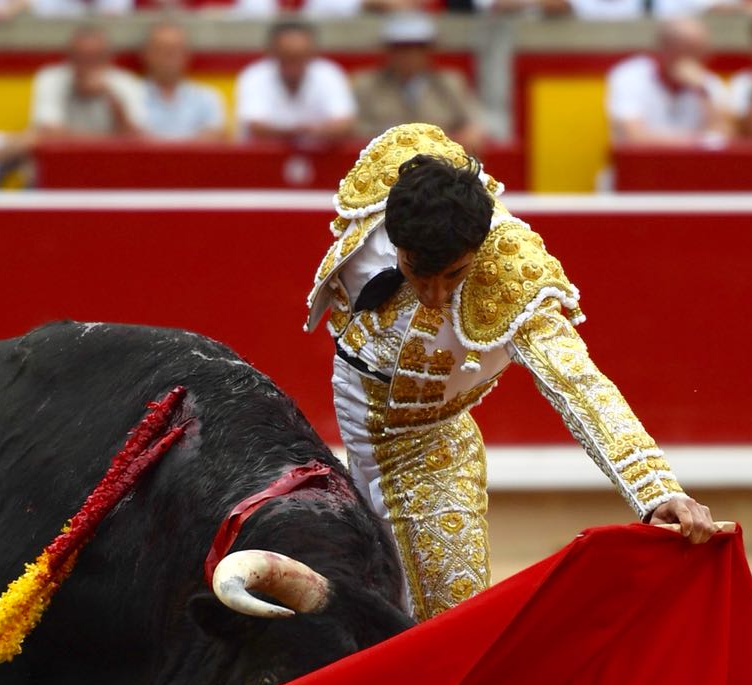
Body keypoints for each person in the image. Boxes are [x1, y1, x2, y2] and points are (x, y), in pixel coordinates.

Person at [304, 124, 716, 619]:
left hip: (427, 448)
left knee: (449, 624)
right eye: (418, 272)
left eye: (454, 274)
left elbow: (576, 382)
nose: (436, 295)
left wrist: (656, 490)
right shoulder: (398, 174)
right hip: (341, 435)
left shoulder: (511, 276)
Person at [353, 15, 491, 158]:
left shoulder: (449, 83)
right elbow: (354, 130)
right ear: (389, 51)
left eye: (417, 47)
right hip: (385, 163)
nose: (409, 55)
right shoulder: (366, 85)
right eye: (400, 48)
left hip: (440, 165)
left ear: (428, 50)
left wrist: (464, 135)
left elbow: (475, 125)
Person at [605, 17, 731, 146]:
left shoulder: (708, 82)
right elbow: (633, 137)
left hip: (693, 164)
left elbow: (724, 136)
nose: (704, 57)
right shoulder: (630, 76)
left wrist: (703, 92)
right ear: (665, 48)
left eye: (703, 49)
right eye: (691, 49)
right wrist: (698, 141)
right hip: (639, 164)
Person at [235, 20, 355, 144]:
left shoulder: (329, 74)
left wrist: (312, 131)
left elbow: (345, 124)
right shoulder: (255, 75)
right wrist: (298, 132)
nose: (294, 63)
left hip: (319, 156)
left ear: (312, 54)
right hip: (263, 157)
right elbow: (255, 126)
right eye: (287, 56)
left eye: (300, 56)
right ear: (272, 53)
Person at [29, 24, 144, 139]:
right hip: (64, 156)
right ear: (69, 58)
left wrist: (110, 97)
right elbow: (48, 134)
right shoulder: (51, 78)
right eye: (80, 57)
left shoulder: (126, 83)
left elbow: (138, 138)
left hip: (115, 157)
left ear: (108, 59)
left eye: (95, 58)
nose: (87, 65)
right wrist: (110, 140)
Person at [141, 21, 224, 141]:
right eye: (162, 50)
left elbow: (215, 136)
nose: (169, 56)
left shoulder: (207, 97)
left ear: (187, 55)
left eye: (175, 50)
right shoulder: (130, 94)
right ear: (146, 54)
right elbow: (129, 138)